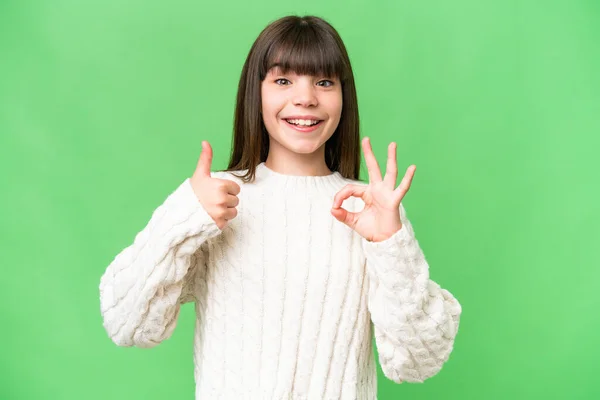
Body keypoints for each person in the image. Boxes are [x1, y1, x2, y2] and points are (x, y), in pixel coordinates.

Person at [99, 15, 462, 400]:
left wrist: (392, 242)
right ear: (255, 93)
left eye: (324, 82)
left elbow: (419, 361)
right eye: (283, 80)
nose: (306, 98)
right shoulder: (215, 198)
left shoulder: (368, 208)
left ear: (343, 97)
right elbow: (128, 324)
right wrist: (183, 215)